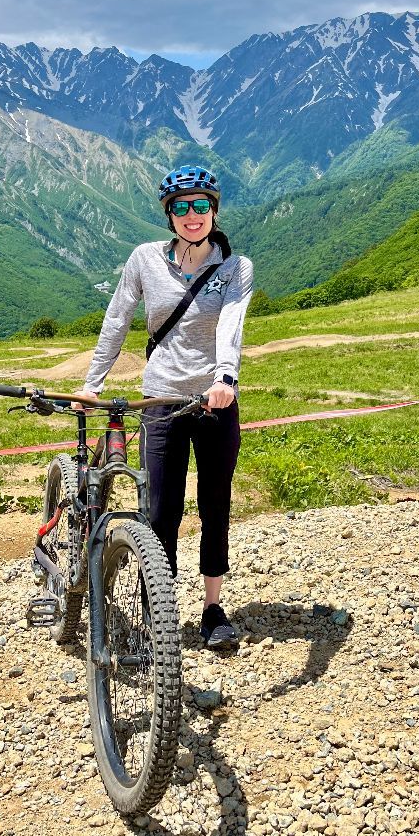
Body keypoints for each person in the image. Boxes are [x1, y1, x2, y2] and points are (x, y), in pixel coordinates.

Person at [77, 164, 254, 651]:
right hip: (160, 400)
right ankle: (160, 606)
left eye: (201, 205)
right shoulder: (145, 259)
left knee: (215, 503)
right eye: (182, 207)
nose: (192, 215)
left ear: (213, 211)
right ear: (170, 215)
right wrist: (92, 384)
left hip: (214, 401)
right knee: (160, 509)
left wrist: (225, 378)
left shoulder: (235, 267)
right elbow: (117, 319)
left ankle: (213, 609)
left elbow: (230, 325)